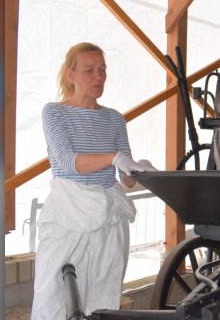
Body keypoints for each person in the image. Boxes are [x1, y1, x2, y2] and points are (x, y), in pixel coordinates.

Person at [31, 42, 157, 319]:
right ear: (70, 74)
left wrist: (137, 171)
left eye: (102, 70)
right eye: (89, 70)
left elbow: (126, 180)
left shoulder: (114, 118)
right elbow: (67, 161)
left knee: (103, 294)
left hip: (109, 219)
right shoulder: (55, 112)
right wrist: (113, 157)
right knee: (55, 296)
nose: (98, 77)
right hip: (69, 215)